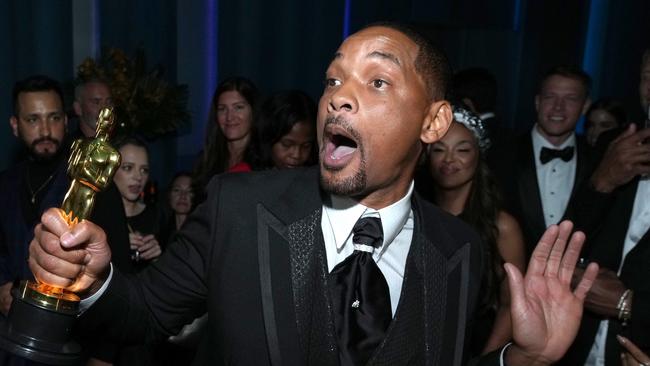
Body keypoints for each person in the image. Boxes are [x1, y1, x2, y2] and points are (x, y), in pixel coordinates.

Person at [28, 23, 598, 366]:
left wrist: (522, 358)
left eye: (376, 81)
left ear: (433, 122)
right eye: (333, 79)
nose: (339, 98)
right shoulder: (239, 209)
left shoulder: (459, 249)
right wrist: (92, 280)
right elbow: (143, 316)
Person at [0, 76, 131, 366]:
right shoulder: (5, 185)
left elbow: (120, 274)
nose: (46, 130)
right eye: (33, 119)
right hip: (12, 343)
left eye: (54, 117)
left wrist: (103, 357)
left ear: (66, 120)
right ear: (15, 125)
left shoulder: (97, 190)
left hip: (74, 348)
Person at [556, 49, 650, 366]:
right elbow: (567, 241)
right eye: (647, 77)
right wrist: (604, 181)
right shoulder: (614, 143)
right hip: (579, 343)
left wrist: (629, 305)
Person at [417, 106, 526, 355]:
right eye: (439, 150)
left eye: (463, 150)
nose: (449, 160)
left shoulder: (502, 226)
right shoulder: (415, 217)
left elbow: (511, 305)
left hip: (475, 349)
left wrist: (486, 360)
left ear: (479, 155)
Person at [489, 65, 597, 258]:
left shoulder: (598, 160)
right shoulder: (499, 154)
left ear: (585, 106)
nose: (558, 107)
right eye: (550, 97)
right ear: (538, 102)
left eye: (570, 99)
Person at [192, 77, 260, 200]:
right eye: (222, 109)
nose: (229, 117)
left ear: (253, 111)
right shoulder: (205, 161)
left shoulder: (265, 160)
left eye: (238, 107)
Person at [112, 136, 162, 272]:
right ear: (110, 170)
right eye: (128, 168)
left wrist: (158, 258)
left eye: (144, 170)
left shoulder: (158, 216)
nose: (138, 177)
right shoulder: (96, 216)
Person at [257, 90, 317, 169]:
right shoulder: (247, 174)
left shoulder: (315, 174)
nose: (296, 155)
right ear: (268, 138)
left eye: (306, 146)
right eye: (287, 144)